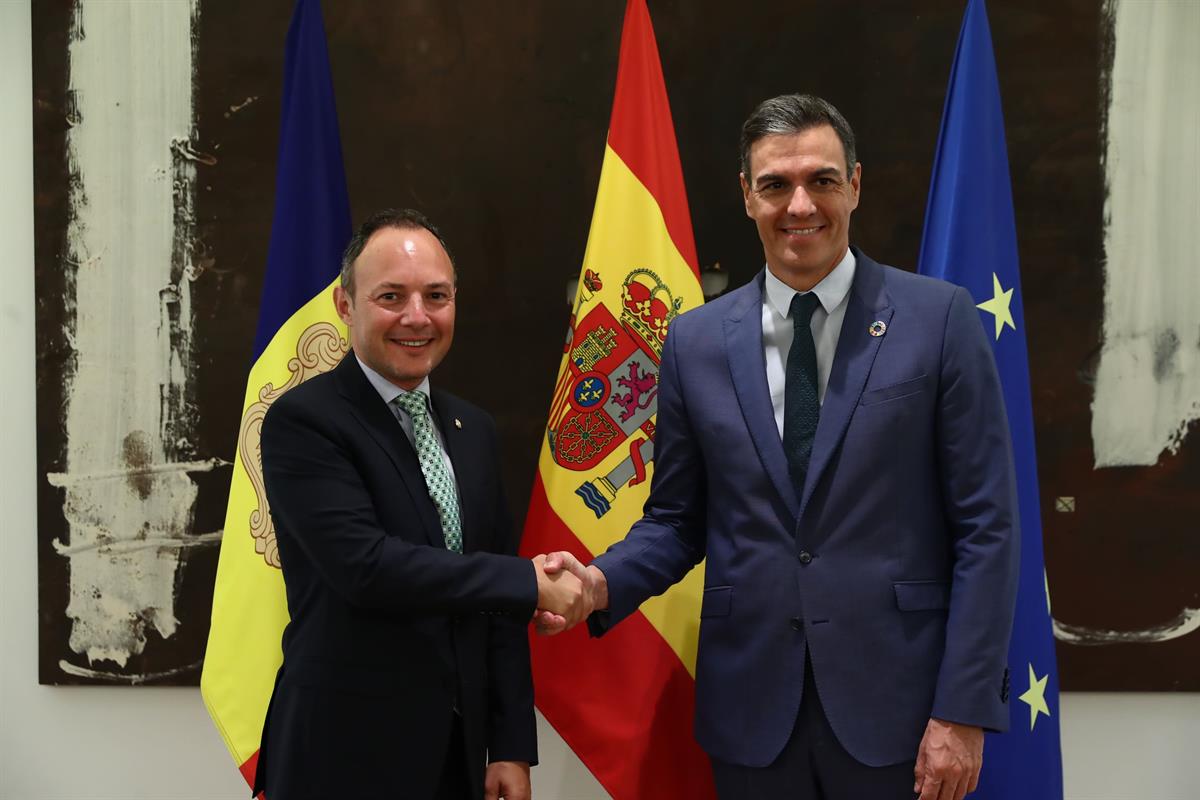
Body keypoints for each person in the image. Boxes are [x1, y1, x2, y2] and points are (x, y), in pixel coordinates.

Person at [539, 94, 1020, 800]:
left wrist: (963, 708)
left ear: (855, 186)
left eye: (821, 180)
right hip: (751, 715)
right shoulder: (695, 342)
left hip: (904, 714)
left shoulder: (938, 321)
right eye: (776, 185)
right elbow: (676, 519)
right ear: (746, 196)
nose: (800, 206)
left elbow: (988, 527)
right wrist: (600, 582)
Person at [252, 208, 585, 800]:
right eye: (391, 296)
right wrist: (528, 583)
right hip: (341, 757)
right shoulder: (304, 422)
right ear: (345, 305)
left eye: (436, 296)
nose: (417, 317)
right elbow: (368, 567)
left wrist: (509, 743)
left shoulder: (473, 430)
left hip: (459, 757)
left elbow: (496, 607)